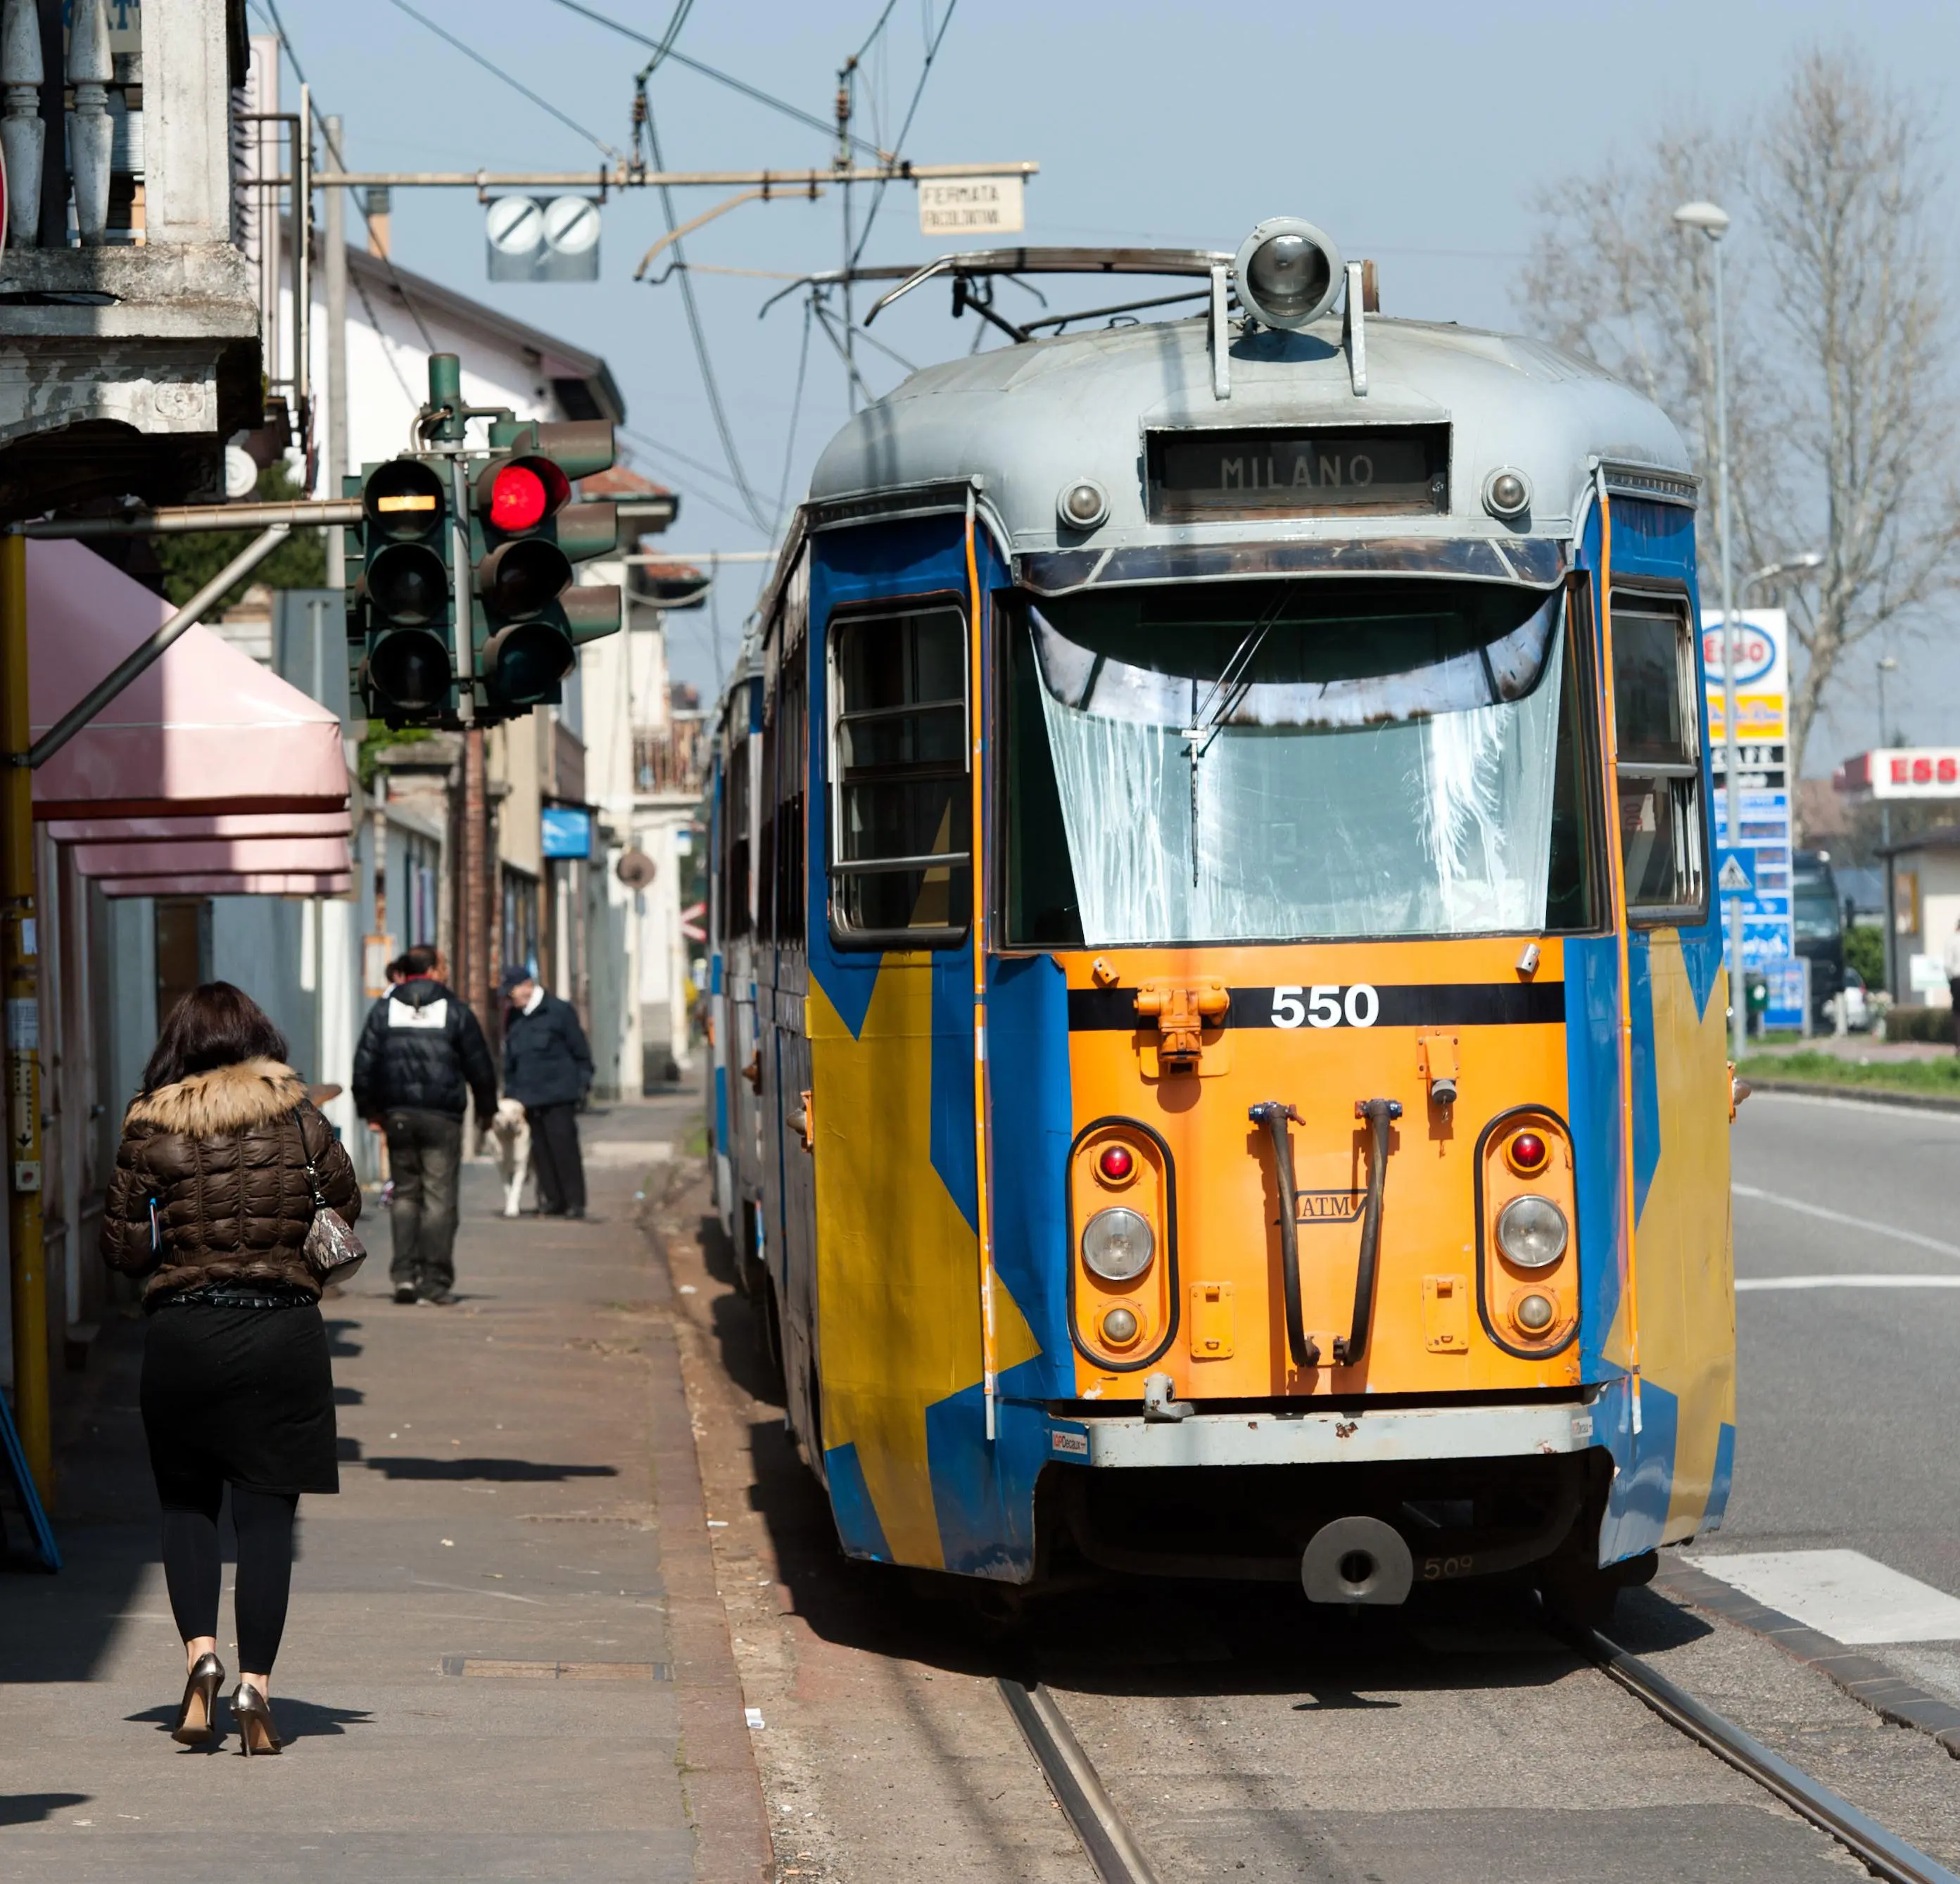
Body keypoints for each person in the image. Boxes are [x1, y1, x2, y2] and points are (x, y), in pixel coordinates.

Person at [100, 982, 360, 1757]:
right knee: (267, 1519)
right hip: (284, 1334)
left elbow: (122, 1252)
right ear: (258, 1036)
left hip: (186, 1332)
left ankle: (199, 1658)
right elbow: (344, 1202)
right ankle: (259, 1686)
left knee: (187, 1509)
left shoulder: (150, 1122)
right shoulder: (301, 1113)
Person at [351, 944, 496, 1305]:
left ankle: (404, 1276)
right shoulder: (455, 1010)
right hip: (441, 1117)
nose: (445, 972)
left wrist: (369, 1111)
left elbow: (364, 1065)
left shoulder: (385, 1009)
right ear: (432, 970)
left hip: (398, 1116)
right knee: (439, 1198)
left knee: (404, 1194)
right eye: (443, 965)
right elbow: (480, 1065)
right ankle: (434, 1282)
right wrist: (487, 1111)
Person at [501, 966, 593, 1218]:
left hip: (559, 1095)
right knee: (541, 1152)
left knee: (564, 1149)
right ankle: (552, 1201)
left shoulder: (558, 1011)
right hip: (528, 1098)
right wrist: (510, 1092)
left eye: (512, 993)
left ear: (527, 986)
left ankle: (574, 1203)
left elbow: (580, 1050)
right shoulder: (514, 1018)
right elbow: (511, 1060)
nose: (511, 999)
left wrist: (582, 1085)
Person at [1945, 918, 1960, 1050]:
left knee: (1957, 1013)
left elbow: (1948, 966)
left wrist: (1950, 982)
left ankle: (1959, 1046)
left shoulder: (1952, 941)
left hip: (1957, 979)